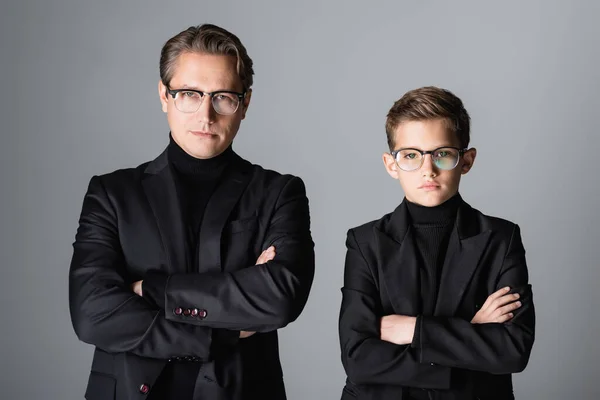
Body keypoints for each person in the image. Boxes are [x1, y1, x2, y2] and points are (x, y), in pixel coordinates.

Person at [69, 23, 315, 400]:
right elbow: (92, 314)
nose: (206, 115)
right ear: (164, 96)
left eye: (223, 97)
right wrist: (223, 329)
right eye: (189, 94)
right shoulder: (112, 193)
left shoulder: (279, 193)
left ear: (245, 103)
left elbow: (279, 298)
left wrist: (151, 290)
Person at [338, 86, 535, 399]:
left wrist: (412, 330)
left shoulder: (501, 238)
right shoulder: (364, 242)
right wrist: (469, 331)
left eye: (442, 154)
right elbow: (359, 359)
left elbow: (513, 350)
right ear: (392, 164)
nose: (427, 169)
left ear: (466, 160)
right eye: (411, 155)